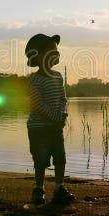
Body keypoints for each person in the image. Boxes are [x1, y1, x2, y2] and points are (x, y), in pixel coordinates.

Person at [24, 33, 74, 205]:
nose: (56, 54)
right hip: (39, 128)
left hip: (55, 127)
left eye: (57, 50)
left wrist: (62, 114)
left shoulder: (58, 77)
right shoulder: (35, 79)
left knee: (60, 157)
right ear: (39, 56)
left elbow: (62, 98)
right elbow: (37, 104)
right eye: (52, 50)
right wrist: (54, 117)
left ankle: (59, 188)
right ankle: (38, 190)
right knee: (41, 160)